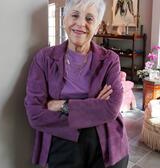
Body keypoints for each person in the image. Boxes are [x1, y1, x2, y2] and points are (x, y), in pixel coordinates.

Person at [24, 0, 129, 167]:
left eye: (89, 18)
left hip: (106, 143)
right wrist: (94, 106)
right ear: (65, 18)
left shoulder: (110, 60)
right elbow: (35, 114)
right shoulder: (43, 59)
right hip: (62, 140)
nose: (81, 23)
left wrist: (62, 105)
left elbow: (111, 108)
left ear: (97, 26)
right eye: (74, 15)